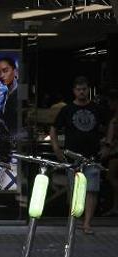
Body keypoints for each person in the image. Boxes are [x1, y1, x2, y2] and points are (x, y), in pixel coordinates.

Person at [50, 76, 106, 234]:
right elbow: (54, 128)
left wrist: (108, 144)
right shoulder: (67, 110)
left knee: (92, 190)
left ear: (88, 90)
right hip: (72, 156)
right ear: (74, 91)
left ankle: (87, 224)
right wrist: (56, 148)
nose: (82, 92)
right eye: (79, 89)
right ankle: (74, 221)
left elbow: (111, 124)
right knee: (74, 190)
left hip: (93, 156)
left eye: (84, 89)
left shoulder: (96, 108)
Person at [101, 90, 118, 217]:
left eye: (109, 101)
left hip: (115, 152)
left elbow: (111, 137)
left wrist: (108, 145)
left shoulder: (115, 119)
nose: (108, 104)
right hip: (113, 150)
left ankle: (115, 206)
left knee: (111, 177)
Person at [0, 57, 19, 134]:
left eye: (5, 71)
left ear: (15, 71)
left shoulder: (20, 91)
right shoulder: (0, 93)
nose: (1, 75)